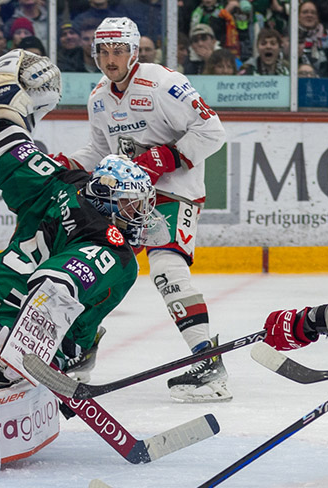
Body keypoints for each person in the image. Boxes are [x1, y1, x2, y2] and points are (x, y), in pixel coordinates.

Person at [0, 49, 157, 477]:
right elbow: (54, 286)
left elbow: (6, 134)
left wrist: (7, 98)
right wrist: (33, 361)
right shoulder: (113, 249)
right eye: (132, 206)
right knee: (3, 372)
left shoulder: (57, 181)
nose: (141, 216)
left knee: (51, 344)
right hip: (14, 323)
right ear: (110, 205)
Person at [58, 17, 230, 403]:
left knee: (168, 268)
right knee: (97, 266)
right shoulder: (99, 97)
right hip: (128, 198)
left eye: (118, 50)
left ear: (134, 51)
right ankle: (80, 354)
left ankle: (209, 361)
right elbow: (102, 153)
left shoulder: (163, 82)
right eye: (103, 51)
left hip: (175, 194)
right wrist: (65, 163)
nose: (109, 58)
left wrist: (161, 158)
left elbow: (212, 130)